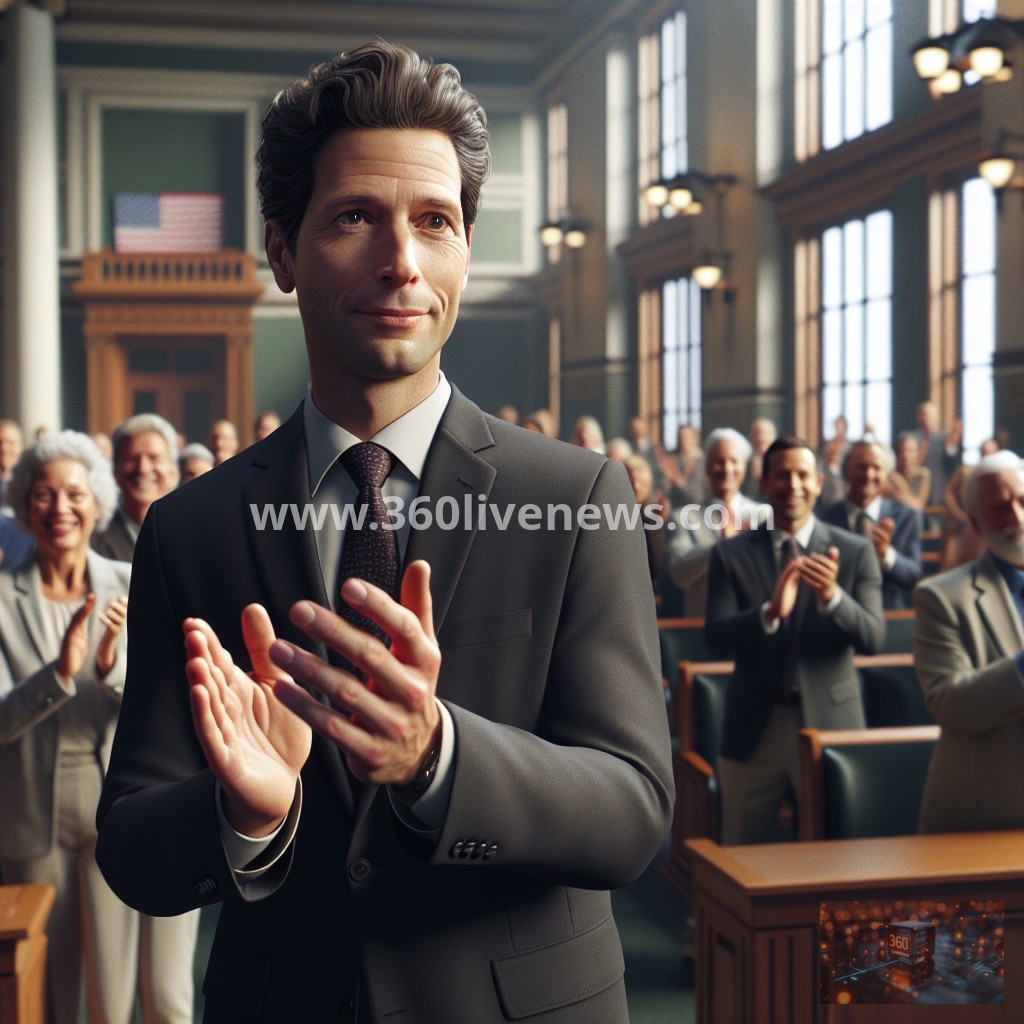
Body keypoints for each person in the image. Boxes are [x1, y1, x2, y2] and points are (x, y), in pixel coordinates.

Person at [96, 41, 673, 1024]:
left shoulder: (577, 497)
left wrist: (439, 753)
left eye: (434, 222)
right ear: (282, 251)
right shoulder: (191, 526)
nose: (401, 260)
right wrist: (248, 812)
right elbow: (135, 848)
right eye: (357, 217)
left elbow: (631, 812)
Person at [0, 431, 134, 1024]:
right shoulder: (3, 597)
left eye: (73, 494)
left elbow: (159, 704)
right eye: (43, 495)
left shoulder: (130, 582)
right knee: (44, 993)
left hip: (118, 808)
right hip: (29, 813)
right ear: (25, 504)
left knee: (113, 987)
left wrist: (109, 665)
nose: (60, 509)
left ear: (96, 501)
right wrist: (57, 673)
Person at [705, 435, 884, 845]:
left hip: (832, 724)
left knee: (838, 853)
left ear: (819, 482)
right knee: (741, 852)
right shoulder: (730, 554)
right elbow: (715, 638)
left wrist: (832, 598)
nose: (793, 485)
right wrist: (768, 614)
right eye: (782, 475)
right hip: (754, 723)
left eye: (803, 474)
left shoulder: (855, 552)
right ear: (764, 484)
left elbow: (874, 638)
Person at [915, 451, 1024, 833]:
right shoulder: (941, 597)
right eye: (1000, 507)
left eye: (1023, 500)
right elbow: (950, 704)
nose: (1016, 516)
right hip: (986, 817)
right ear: (976, 522)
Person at [667, 427, 769, 618]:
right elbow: (679, 574)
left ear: (744, 468)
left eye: (734, 461)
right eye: (719, 462)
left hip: (753, 625)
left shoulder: (763, 516)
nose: (727, 469)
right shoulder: (684, 517)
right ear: (706, 467)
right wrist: (721, 548)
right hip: (700, 629)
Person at [819, 439, 923, 610]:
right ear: (847, 471)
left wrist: (886, 555)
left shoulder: (907, 516)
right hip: (838, 612)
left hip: (889, 613)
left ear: (887, 474)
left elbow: (913, 575)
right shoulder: (825, 518)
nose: (868, 475)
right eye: (861, 467)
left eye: (877, 468)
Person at [92, 414, 180, 562]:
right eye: (132, 459)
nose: (143, 469)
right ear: (115, 471)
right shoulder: (95, 540)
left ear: (173, 471)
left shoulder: (195, 532)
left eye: (154, 458)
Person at [913, 401, 962, 507]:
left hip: (939, 494)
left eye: (927, 414)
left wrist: (951, 444)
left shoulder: (944, 438)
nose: (924, 418)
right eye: (922, 414)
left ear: (936, 417)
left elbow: (953, 463)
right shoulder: (913, 439)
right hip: (916, 495)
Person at [884, 430, 931, 512]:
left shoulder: (922, 474)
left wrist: (900, 486)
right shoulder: (890, 475)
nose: (905, 455)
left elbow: (918, 507)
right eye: (902, 451)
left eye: (910, 451)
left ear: (917, 452)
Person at [741, 415, 777, 498]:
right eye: (757, 433)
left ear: (773, 436)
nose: (761, 437)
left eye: (765, 433)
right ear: (751, 437)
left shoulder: (781, 461)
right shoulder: (744, 462)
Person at [0, 418, 24, 515]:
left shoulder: (30, 483)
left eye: (10, 443)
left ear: (20, 446)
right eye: (0, 442)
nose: (4, 448)